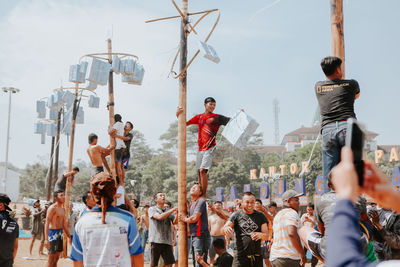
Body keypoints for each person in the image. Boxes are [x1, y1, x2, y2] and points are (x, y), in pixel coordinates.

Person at [325, 146, 400, 266]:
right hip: (382, 255)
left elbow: (397, 243)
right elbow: (380, 239)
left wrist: (346, 195)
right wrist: (373, 223)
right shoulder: (390, 213)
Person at [70, 172, 144, 267]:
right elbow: (137, 256)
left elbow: (78, 261)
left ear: (92, 193)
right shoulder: (127, 219)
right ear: (114, 192)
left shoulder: (82, 222)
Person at [315, 56, 360, 186]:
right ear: (338, 70)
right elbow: (356, 96)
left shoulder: (318, 86)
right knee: (351, 165)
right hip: (347, 126)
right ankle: (352, 197)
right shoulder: (351, 84)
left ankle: (330, 199)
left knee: (329, 170)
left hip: (328, 129)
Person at [176, 97, 230, 197]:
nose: (213, 107)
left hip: (210, 147)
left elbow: (231, 121)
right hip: (200, 148)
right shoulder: (199, 117)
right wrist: (178, 114)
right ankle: (199, 192)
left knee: (203, 170)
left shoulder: (217, 117)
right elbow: (184, 124)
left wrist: (240, 115)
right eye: (211, 104)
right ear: (205, 105)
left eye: (214, 105)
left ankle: (203, 195)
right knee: (198, 173)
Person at [223, 192, 269, 267]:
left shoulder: (261, 216)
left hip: (256, 257)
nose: (250, 205)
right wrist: (227, 228)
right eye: (247, 202)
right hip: (240, 257)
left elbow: (266, 236)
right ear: (242, 202)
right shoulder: (236, 215)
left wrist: (261, 235)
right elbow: (225, 227)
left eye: (252, 202)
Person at [299, 172, 337, 263]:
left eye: (310, 210)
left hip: (327, 245)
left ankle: (325, 261)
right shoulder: (358, 199)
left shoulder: (320, 201)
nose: (308, 211)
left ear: (328, 185)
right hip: (355, 245)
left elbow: (320, 228)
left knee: (303, 230)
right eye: (307, 210)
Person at [270, 190, 306, 267]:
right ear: (289, 201)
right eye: (296, 200)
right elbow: (291, 234)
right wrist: (302, 254)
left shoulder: (278, 215)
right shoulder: (291, 213)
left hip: (275, 258)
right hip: (289, 259)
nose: (298, 203)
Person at [179, 183, 210, 267]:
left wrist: (184, 219)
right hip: (195, 235)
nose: (193, 188)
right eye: (192, 187)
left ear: (200, 192)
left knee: (199, 260)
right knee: (195, 260)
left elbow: (195, 218)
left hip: (201, 235)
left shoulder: (201, 201)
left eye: (195, 188)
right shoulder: (191, 203)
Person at [148, 192, 177, 267]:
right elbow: (159, 217)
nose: (163, 196)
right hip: (155, 240)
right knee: (154, 264)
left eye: (164, 195)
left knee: (169, 263)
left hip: (167, 241)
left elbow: (175, 222)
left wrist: (177, 214)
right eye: (160, 195)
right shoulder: (152, 209)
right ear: (155, 199)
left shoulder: (168, 210)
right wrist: (172, 210)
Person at [44, 190, 71, 267]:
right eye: (61, 195)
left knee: (56, 259)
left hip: (60, 234)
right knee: (50, 260)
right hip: (52, 234)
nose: (64, 197)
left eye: (64, 195)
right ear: (56, 198)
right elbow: (47, 223)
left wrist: (69, 236)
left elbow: (64, 224)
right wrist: (46, 239)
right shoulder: (52, 208)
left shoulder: (63, 209)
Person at [0, 194, 19, 267]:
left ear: (1, 205)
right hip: (8, 262)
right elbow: (15, 246)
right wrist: (10, 261)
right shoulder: (14, 223)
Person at [254, 199, 273, 267]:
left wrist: (269, 239)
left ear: (261, 205)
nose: (257, 205)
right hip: (254, 242)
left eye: (258, 203)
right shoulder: (250, 215)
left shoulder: (265, 215)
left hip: (264, 241)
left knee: (267, 259)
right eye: (255, 203)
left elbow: (270, 228)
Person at [109, 114, 126, 184]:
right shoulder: (122, 124)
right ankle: (121, 181)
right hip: (122, 146)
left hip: (118, 147)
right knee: (120, 167)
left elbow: (110, 132)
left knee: (118, 166)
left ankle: (121, 182)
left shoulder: (118, 124)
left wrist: (109, 127)